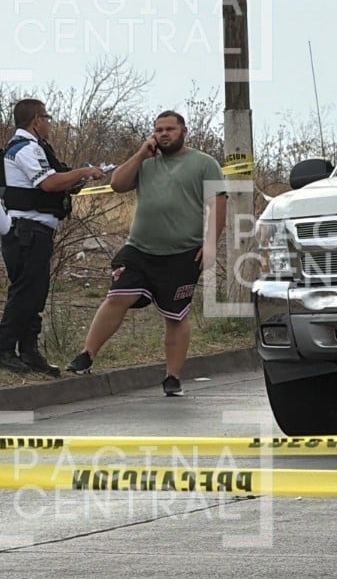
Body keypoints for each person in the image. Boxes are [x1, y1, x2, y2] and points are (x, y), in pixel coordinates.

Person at [66, 110, 228, 396]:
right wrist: (140, 154)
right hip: (139, 249)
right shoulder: (145, 162)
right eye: (158, 130)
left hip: (182, 253)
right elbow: (117, 184)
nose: (164, 134)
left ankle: (172, 378)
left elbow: (218, 205)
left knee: (175, 316)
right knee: (118, 296)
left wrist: (210, 244)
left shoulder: (204, 163)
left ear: (183, 131)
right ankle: (86, 355)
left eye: (170, 129)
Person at [0, 99, 105, 376]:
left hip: (36, 231)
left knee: (35, 294)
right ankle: (5, 349)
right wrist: (83, 171)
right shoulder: (23, 148)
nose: (49, 121)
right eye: (47, 116)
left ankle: (29, 350)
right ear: (36, 120)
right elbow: (47, 183)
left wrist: (79, 180)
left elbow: (57, 182)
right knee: (25, 293)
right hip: (26, 231)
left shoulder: (38, 148)